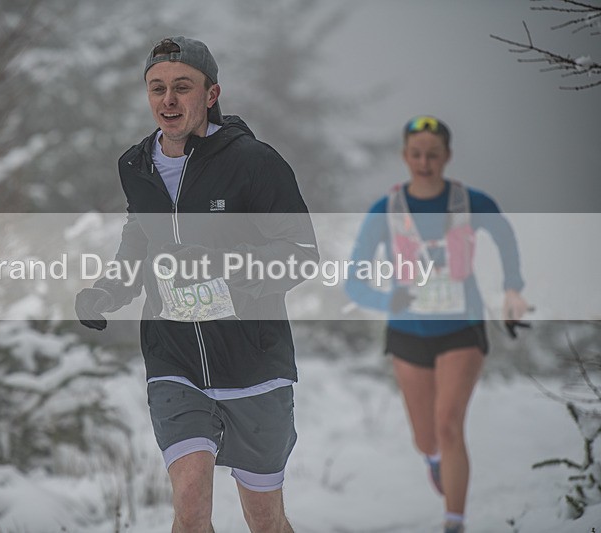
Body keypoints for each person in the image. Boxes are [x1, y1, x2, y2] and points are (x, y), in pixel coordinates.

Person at [75, 36, 318, 533]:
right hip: (174, 357)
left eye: (182, 87)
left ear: (211, 94)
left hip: (255, 359)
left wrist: (224, 269)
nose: (168, 99)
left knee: (265, 519)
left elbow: (301, 254)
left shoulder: (254, 161)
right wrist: (108, 291)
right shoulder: (135, 166)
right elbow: (138, 242)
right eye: (157, 88)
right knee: (189, 508)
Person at [345, 116, 529, 533]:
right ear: (404, 156)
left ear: (447, 156)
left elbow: (507, 240)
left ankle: (454, 521)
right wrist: (386, 298)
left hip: (462, 330)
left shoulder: (470, 202)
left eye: (433, 154)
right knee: (426, 438)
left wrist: (513, 289)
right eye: (416, 154)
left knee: (449, 423)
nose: (424, 162)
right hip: (408, 334)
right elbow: (353, 280)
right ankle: (432, 459)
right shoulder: (386, 210)